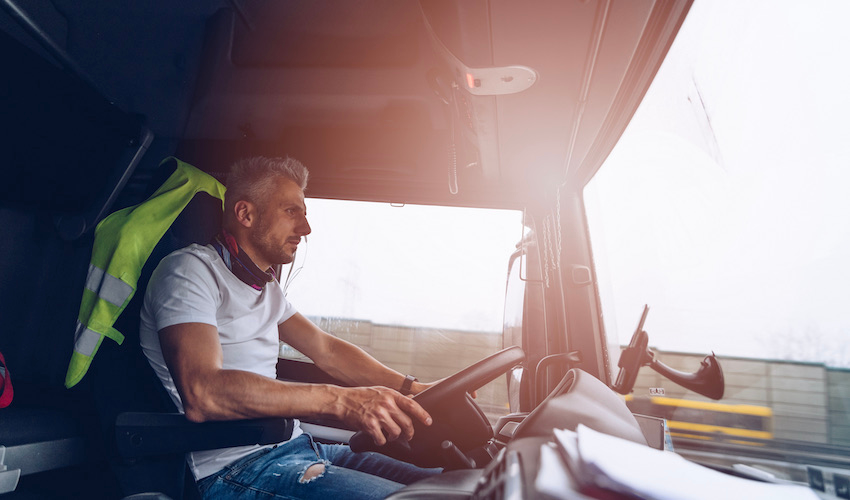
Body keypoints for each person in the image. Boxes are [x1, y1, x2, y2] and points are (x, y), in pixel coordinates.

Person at [139, 156, 441, 499]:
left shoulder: (266, 288)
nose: (306, 228)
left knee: (450, 482)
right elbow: (203, 392)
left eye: (305, 213)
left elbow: (326, 350)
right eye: (291, 212)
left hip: (301, 449)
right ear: (245, 214)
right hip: (235, 467)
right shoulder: (188, 272)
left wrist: (410, 387)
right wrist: (339, 400)